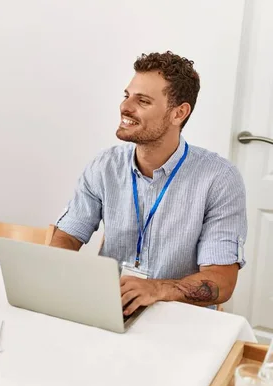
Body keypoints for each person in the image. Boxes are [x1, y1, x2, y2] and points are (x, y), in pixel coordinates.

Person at [50, 51, 247, 316]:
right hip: (112, 310)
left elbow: (221, 282)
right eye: (126, 95)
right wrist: (57, 270)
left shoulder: (219, 179)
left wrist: (156, 289)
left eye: (142, 101)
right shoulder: (104, 165)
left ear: (179, 113)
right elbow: (66, 236)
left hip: (180, 317)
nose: (125, 107)